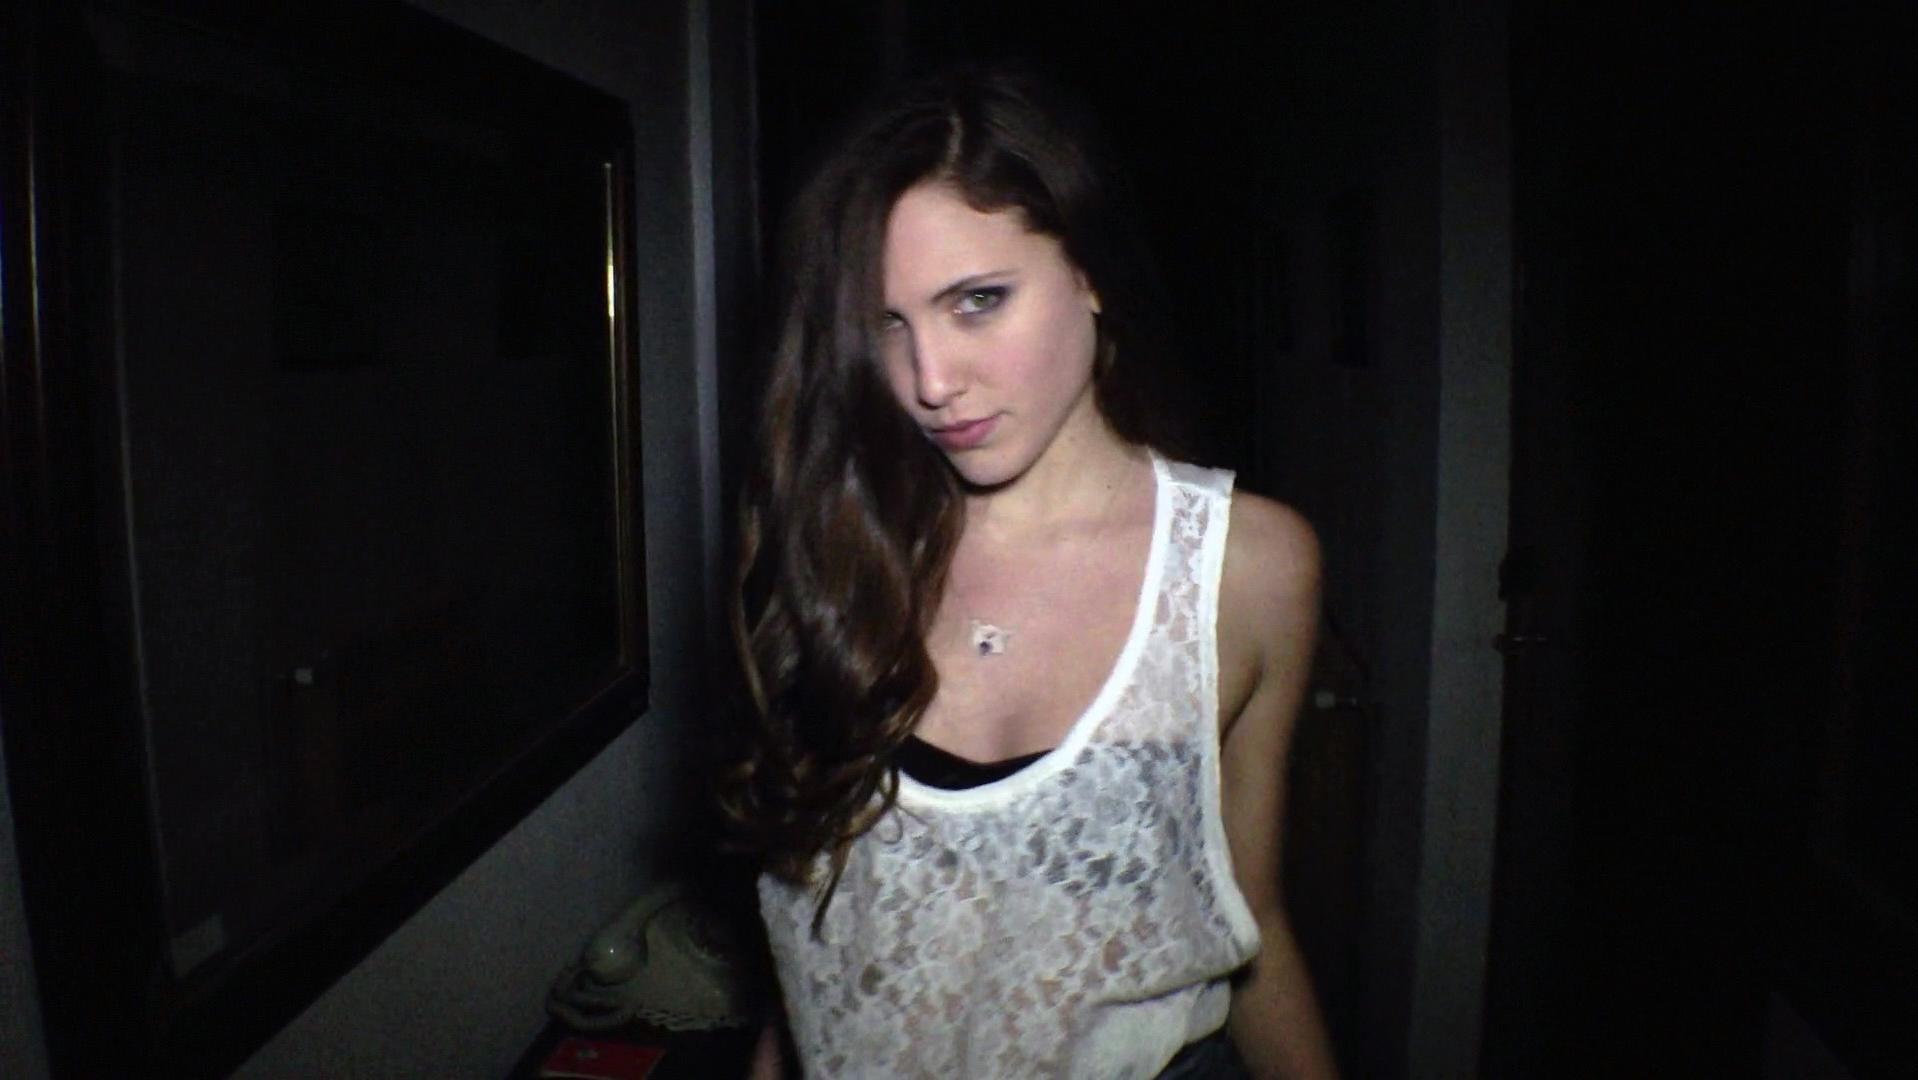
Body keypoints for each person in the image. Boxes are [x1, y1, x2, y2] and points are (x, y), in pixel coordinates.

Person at [721, 63, 1337, 1079]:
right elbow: (818, 960)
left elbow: (1251, 917)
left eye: (977, 301)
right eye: (885, 325)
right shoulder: (829, 549)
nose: (929, 381)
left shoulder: (1248, 569)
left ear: (1089, 271)